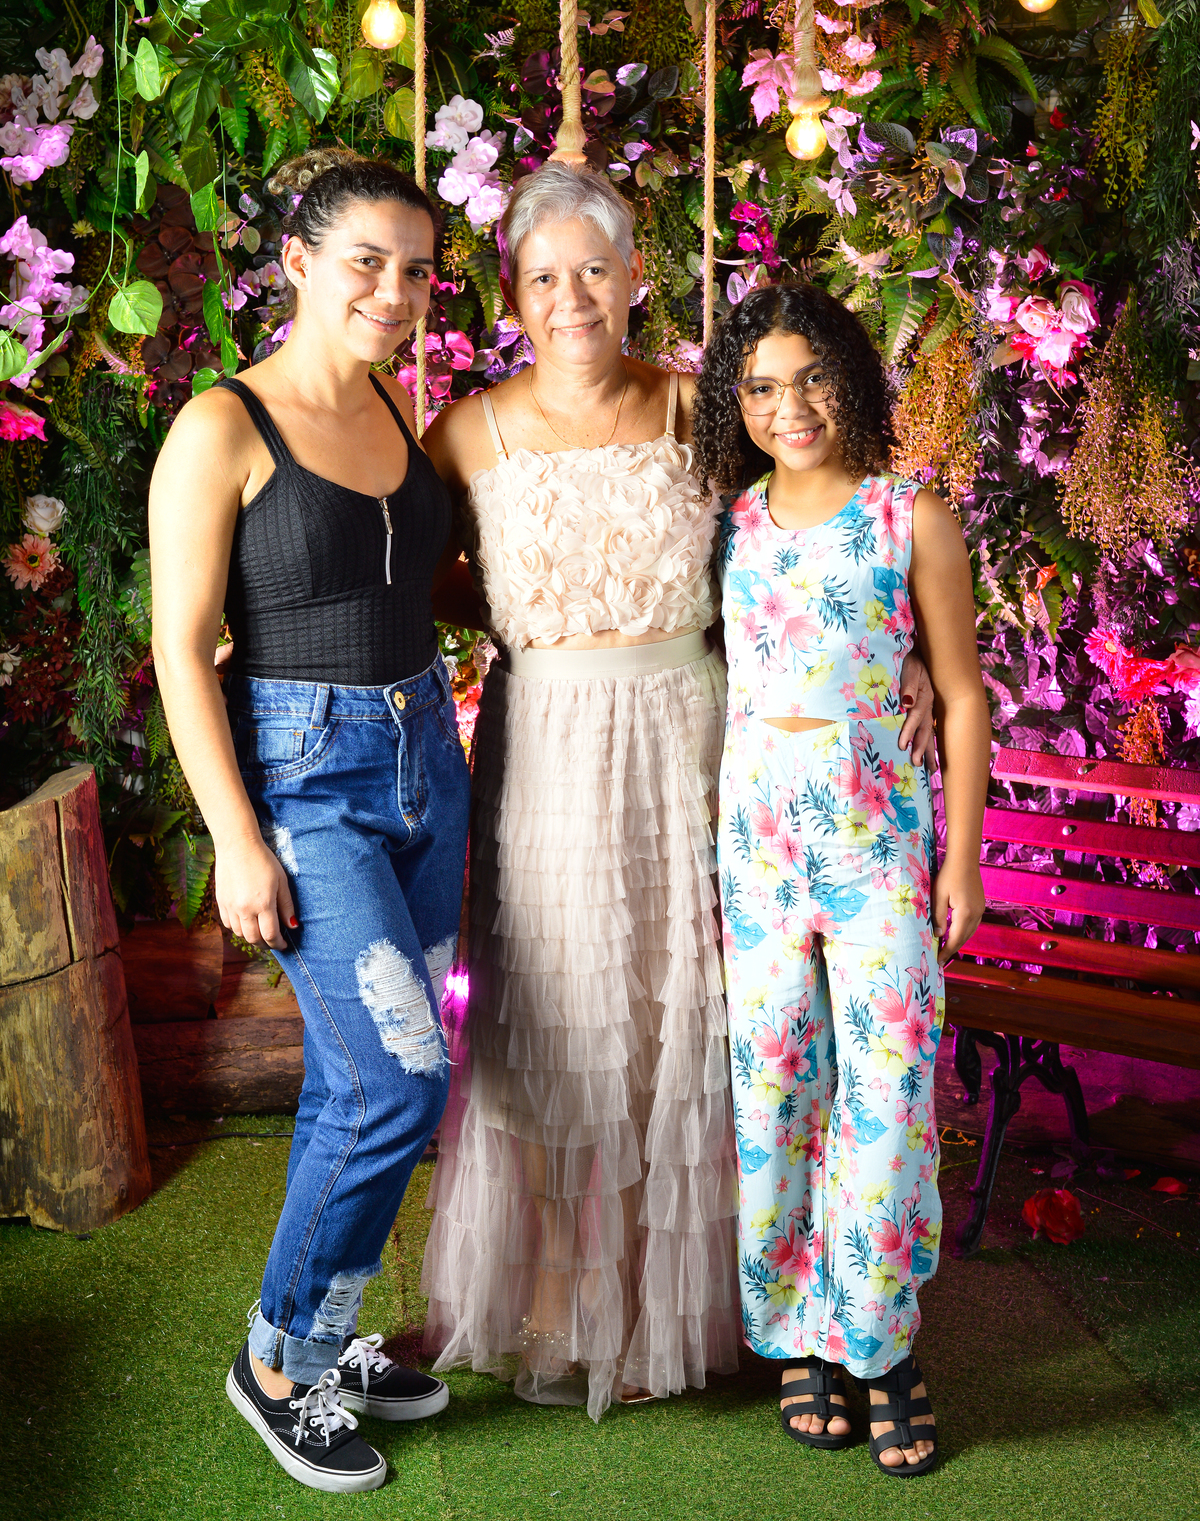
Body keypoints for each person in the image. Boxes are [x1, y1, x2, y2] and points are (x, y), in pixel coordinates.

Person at [418, 161, 935, 1421]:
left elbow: (801, 532)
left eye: (595, 269)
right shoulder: (465, 431)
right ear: (511, 295)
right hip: (546, 741)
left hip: (699, 736)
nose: (573, 297)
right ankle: (572, 1309)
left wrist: (903, 650)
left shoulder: (698, 407)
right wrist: (525, 623)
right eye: (545, 276)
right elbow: (424, 577)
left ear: (636, 276)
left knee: (704, 1019)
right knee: (561, 1017)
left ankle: (715, 1302)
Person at [148, 150, 470, 1494]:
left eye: (417, 271)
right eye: (365, 263)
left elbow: (424, 586)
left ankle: (323, 1334)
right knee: (397, 1079)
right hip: (305, 777)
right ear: (295, 261)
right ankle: (277, 1364)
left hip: (424, 759)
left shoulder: (398, 406)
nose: (395, 291)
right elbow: (180, 649)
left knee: (360, 1080)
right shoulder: (222, 427)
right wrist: (236, 835)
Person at [692, 283, 990, 1477]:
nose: (791, 405)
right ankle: (800, 1333)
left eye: (812, 376)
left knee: (887, 1096)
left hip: (881, 849)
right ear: (736, 401)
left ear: (852, 377)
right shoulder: (726, 524)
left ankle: (879, 1345)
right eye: (762, 386)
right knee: (772, 1092)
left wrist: (962, 855)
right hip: (760, 852)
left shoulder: (912, 515)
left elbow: (960, 691)